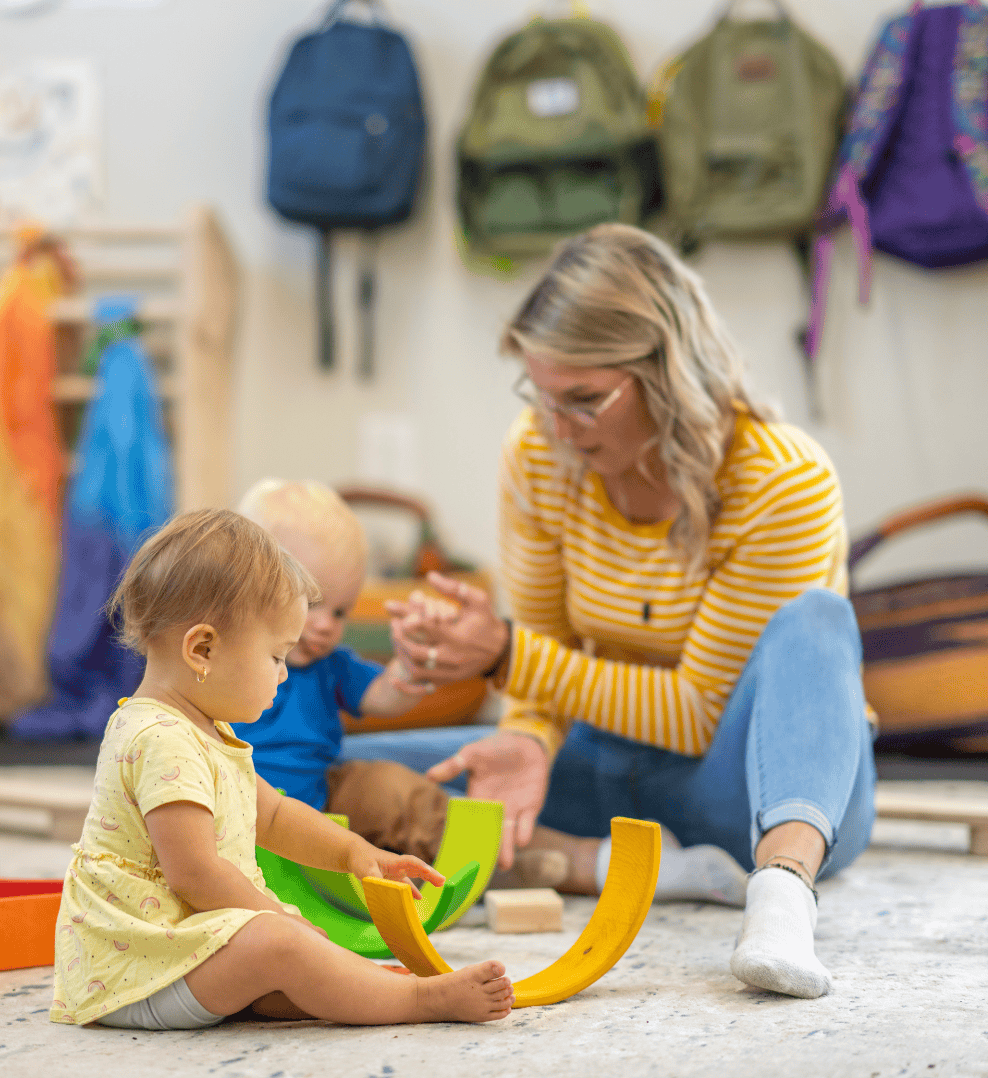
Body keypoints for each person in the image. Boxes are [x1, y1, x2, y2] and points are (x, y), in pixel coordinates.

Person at [389, 224, 876, 1000]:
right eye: (541, 396)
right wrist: (524, 737)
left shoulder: (785, 480)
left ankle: (780, 896)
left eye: (584, 401)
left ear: (672, 375)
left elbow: (696, 714)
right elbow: (543, 642)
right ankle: (613, 865)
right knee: (341, 771)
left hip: (751, 791)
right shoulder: (540, 453)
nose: (556, 427)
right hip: (612, 772)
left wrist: (503, 655)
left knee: (816, 622)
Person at [50, 509, 513, 1030]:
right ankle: (419, 1003)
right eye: (276, 656)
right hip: (140, 975)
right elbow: (195, 873)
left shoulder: (204, 730)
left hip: (181, 956)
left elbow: (271, 816)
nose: (285, 672)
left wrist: (357, 854)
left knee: (298, 960)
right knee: (280, 942)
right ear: (202, 650)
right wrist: (279, 919)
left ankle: (371, 988)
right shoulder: (160, 739)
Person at [230, 479, 453, 864]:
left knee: (390, 787)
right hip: (234, 818)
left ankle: (470, 860)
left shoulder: (331, 666)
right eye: (312, 602)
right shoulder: (226, 660)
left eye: (339, 611)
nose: (326, 625)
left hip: (322, 810)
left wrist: (410, 662)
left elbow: (384, 696)